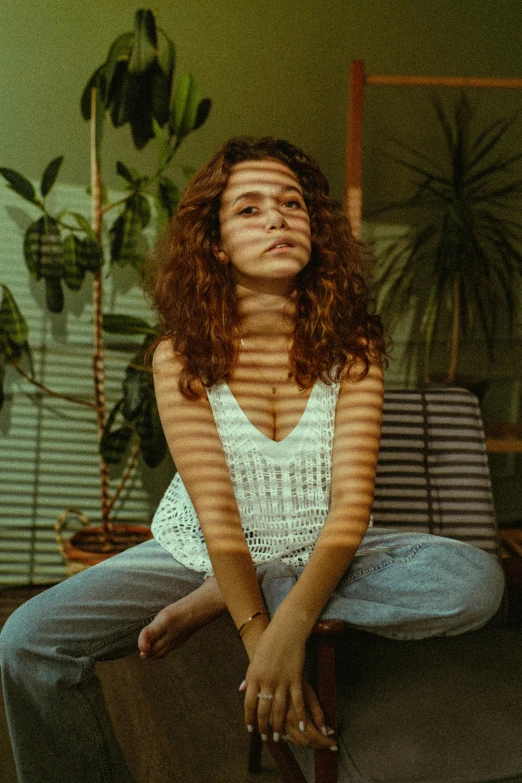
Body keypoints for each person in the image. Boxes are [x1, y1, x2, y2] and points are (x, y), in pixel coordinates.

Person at [0, 137, 505, 783]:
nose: (277, 218)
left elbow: (352, 505)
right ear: (215, 244)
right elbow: (217, 516)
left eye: (292, 204)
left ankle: (248, 590)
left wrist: (286, 627)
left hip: (328, 543)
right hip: (203, 550)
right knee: (27, 641)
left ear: (315, 231)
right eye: (250, 208)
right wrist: (258, 645)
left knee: (475, 582)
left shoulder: (355, 351)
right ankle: (232, 589)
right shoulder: (180, 356)